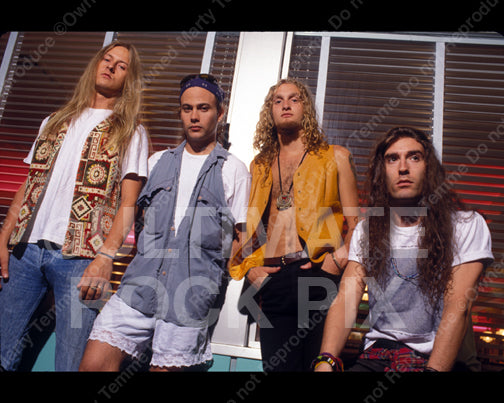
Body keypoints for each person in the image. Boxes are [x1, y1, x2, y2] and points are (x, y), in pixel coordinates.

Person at [79, 73, 251, 372]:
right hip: (138, 286)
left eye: (203, 108)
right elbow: (135, 216)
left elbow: (240, 238)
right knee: (92, 365)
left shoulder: (234, 170)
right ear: (180, 113)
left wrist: (210, 281)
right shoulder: (157, 161)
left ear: (219, 114)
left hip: (189, 296)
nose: (194, 116)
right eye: (187, 109)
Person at [0, 41, 149, 371]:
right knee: (3, 354)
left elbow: (129, 203)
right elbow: (28, 185)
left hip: (81, 259)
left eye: (121, 65)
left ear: (129, 78)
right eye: (106, 59)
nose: (110, 67)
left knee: (70, 363)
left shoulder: (130, 131)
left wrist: (105, 258)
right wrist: (4, 236)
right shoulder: (53, 121)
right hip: (25, 252)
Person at [314, 127, 494, 372]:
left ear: (429, 168)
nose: (403, 168)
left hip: (437, 360)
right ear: (382, 172)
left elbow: (458, 305)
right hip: (378, 354)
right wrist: (326, 361)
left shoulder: (465, 225)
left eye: (414, 157)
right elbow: (346, 299)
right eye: (392, 159)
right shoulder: (368, 231)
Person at [230, 78, 360, 372]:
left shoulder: (336, 157)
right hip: (273, 278)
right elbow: (249, 225)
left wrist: (338, 261)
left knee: (319, 367)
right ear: (270, 111)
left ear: (306, 108)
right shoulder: (259, 164)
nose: (286, 104)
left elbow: (356, 225)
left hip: (318, 274)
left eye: (294, 99)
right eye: (278, 100)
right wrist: (250, 268)